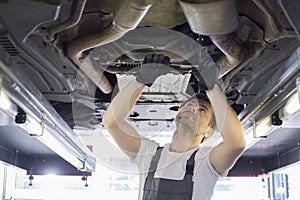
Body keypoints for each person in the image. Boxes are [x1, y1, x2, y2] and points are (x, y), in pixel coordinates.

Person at [102, 54, 246, 200]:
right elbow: (111, 122)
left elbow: (236, 144)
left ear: (208, 131)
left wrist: (212, 88)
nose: (192, 108)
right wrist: (142, 80)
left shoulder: (206, 162)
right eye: (189, 104)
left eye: (202, 109)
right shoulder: (149, 155)